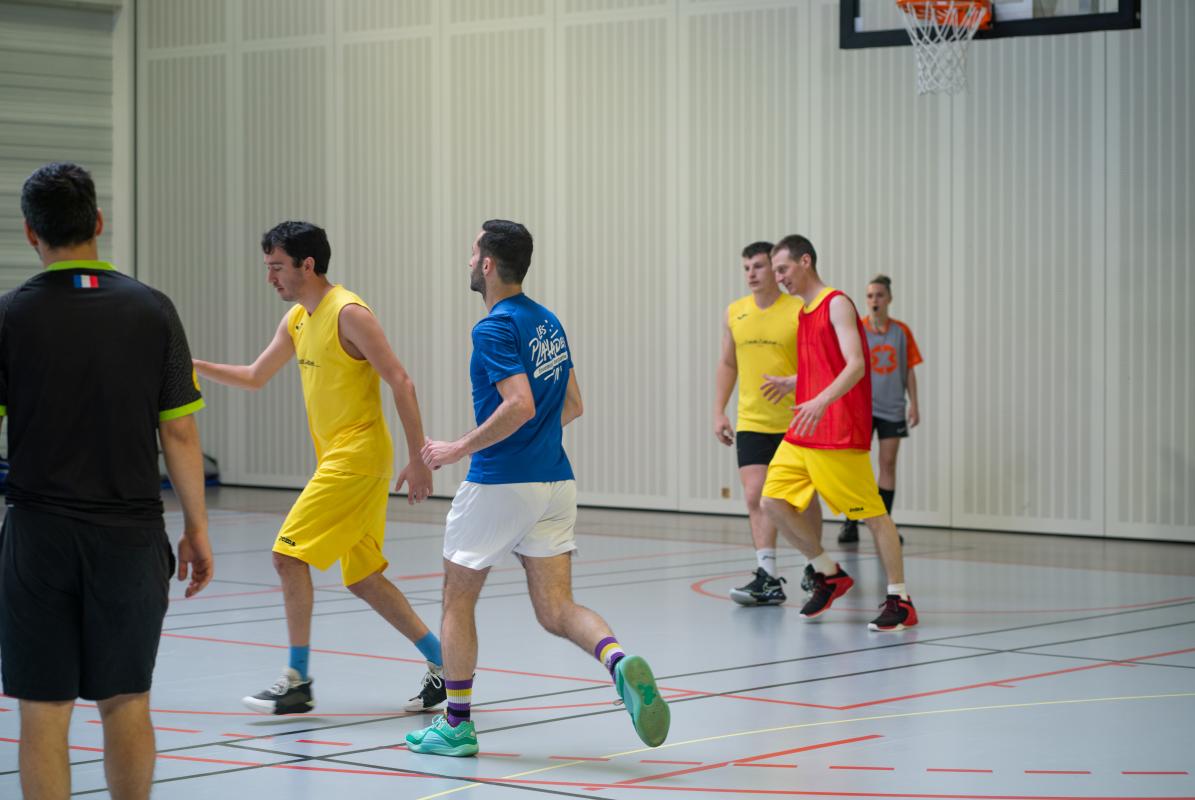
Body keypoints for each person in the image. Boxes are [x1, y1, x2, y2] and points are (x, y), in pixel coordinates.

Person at [405, 220, 669, 757]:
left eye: (472, 252)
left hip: (500, 483)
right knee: (556, 609)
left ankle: (456, 725)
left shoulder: (493, 328)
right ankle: (618, 661)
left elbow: (520, 404)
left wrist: (458, 448)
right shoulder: (548, 322)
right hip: (555, 481)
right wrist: (534, 439)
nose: (468, 260)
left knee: (456, 599)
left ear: (487, 265)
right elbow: (572, 405)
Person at [0, 161, 213, 799]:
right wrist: (197, 529)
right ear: (97, 221)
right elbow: (180, 434)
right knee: (126, 700)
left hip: (38, 537)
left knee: (43, 709)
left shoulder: (8, 316)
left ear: (30, 232)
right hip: (129, 536)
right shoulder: (153, 310)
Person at [192, 221, 446, 715]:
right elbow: (254, 376)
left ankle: (297, 681)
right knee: (363, 577)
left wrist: (419, 459)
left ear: (307, 265)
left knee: (288, 556)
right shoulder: (296, 319)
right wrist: (192, 364)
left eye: (277, 267)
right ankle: (446, 662)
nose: (270, 277)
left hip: (357, 457)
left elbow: (401, 381)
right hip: (341, 460)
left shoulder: (348, 313)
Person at [759, 235, 918, 631]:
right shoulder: (804, 312)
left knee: (874, 517)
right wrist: (795, 381)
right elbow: (824, 366)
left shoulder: (837, 303)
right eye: (775, 271)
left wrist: (820, 401)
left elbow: (856, 364)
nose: (778, 278)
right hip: (804, 431)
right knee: (771, 501)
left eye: (782, 269)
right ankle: (828, 573)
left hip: (837, 432)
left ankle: (901, 599)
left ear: (805, 261)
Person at [713, 241, 803, 605]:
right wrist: (719, 410)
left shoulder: (798, 309)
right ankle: (767, 576)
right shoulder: (735, 312)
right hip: (752, 420)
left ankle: (816, 566)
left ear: (776, 270)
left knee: (799, 500)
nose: (751, 273)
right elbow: (728, 363)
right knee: (755, 496)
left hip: (796, 420)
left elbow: (816, 362)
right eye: (746, 267)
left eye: (759, 266)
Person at [839, 275, 922, 544]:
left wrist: (914, 404)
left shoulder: (901, 332)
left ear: (889, 299)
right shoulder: (858, 330)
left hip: (892, 408)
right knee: (856, 467)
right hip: (861, 408)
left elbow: (909, 369)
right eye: (870, 295)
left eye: (879, 295)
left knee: (887, 464)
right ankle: (850, 522)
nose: (874, 300)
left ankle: (884, 525)